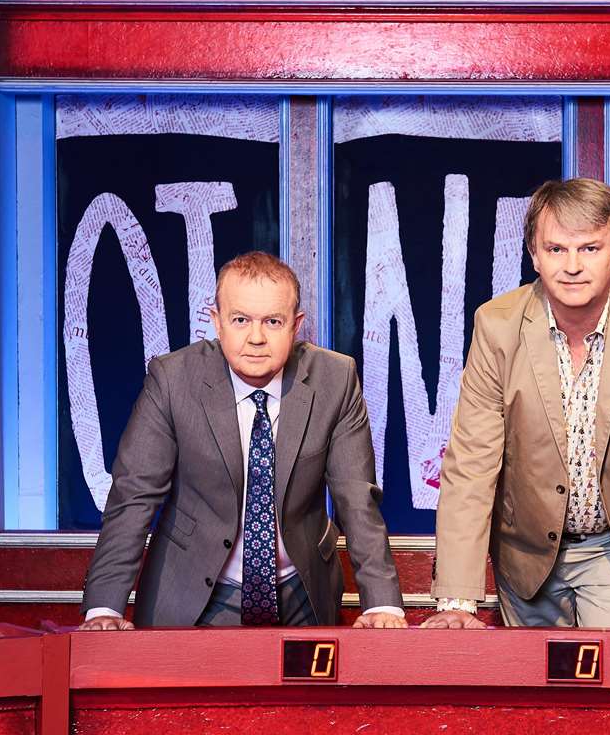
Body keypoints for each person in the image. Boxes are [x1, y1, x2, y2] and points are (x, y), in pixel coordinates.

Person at [423, 178, 610, 629]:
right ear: (533, 253)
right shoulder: (496, 327)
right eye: (555, 249)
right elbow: (471, 464)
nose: (572, 266)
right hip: (524, 550)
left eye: (589, 248)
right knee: (533, 695)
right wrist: (457, 600)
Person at [80, 252, 405, 630]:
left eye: (272, 321)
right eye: (240, 320)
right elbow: (133, 496)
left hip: (302, 593)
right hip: (193, 594)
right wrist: (104, 609)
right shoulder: (172, 380)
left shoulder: (335, 379)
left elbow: (356, 499)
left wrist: (383, 605)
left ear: (295, 326)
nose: (256, 337)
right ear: (216, 323)